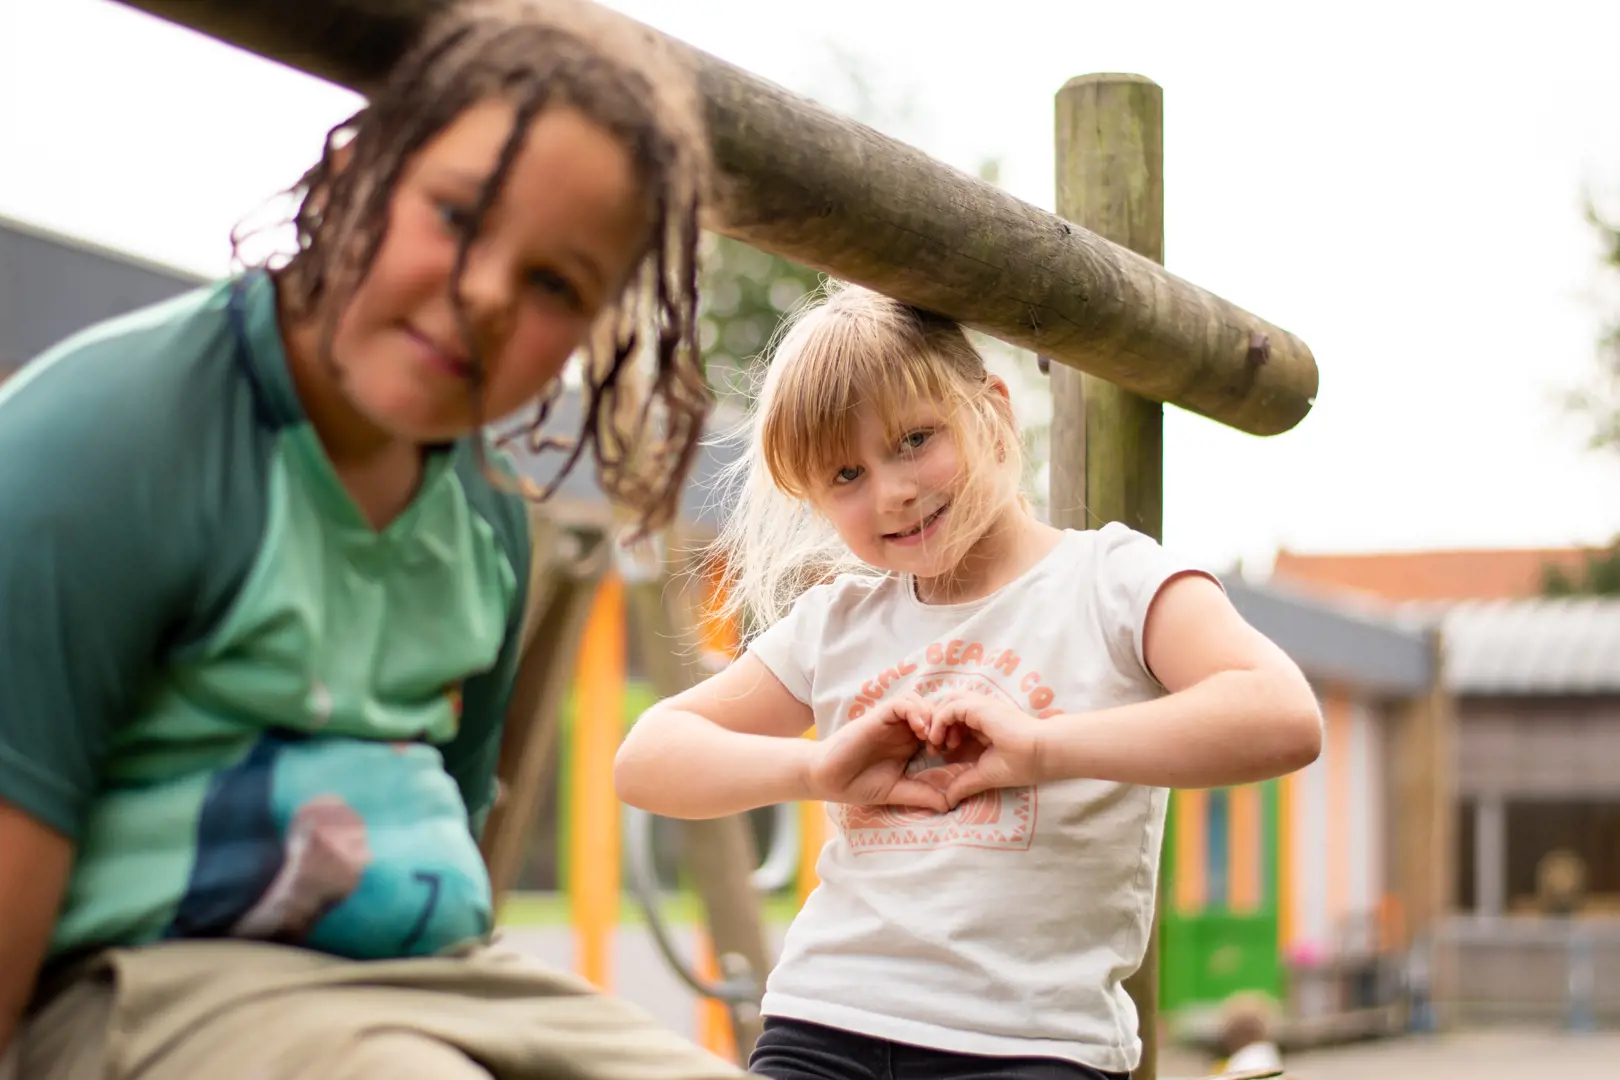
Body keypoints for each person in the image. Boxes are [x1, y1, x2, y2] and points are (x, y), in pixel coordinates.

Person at [0, 2, 745, 1078]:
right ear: (356, 173)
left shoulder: (487, 516)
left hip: (427, 980)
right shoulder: (114, 443)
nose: (486, 293)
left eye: (553, 285)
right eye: (456, 216)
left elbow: (454, 829)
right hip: (152, 983)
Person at [614, 284, 1325, 1080]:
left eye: (915, 439)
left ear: (990, 407)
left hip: (1030, 1040)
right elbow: (646, 758)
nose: (892, 491)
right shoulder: (839, 620)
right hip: (825, 1021)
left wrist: (1044, 748)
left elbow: (1282, 714)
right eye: (846, 474)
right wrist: (817, 768)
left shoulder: (1108, 581)